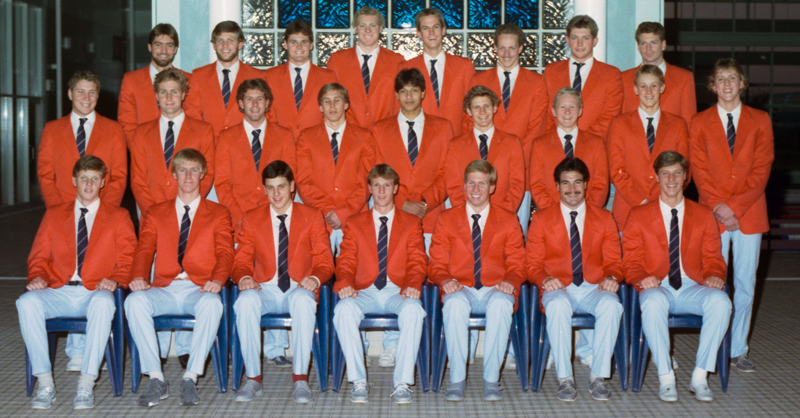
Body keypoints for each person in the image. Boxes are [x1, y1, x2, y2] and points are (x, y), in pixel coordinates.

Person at [19, 155, 136, 410]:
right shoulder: (54, 215)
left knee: (104, 304)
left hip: (95, 292)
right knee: (27, 302)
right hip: (59, 290)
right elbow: (38, 257)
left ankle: (86, 383)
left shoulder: (118, 216)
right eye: (84, 178)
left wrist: (116, 279)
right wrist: (38, 277)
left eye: (95, 179)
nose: (89, 184)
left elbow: (129, 260)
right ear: (74, 180)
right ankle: (45, 382)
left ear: (103, 182)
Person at [125, 149, 234, 408]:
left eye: (194, 170)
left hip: (198, 288)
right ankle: (156, 377)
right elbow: (143, 249)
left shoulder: (218, 212)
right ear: (173, 174)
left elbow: (226, 253)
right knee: (134, 302)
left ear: (203, 174)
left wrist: (218, 280)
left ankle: (190, 377)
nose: (188, 175)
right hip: (165, 287)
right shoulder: (155, 212)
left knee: (212, 304)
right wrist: (139, 276)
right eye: (182, 170)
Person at [623, 150, 731, 402]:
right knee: (651, 301)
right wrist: (641, 276)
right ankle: (666, 378)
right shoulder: (638, 215)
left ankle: (700, 376)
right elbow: (630, 261)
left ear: (686, 177)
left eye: (677, 173)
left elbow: (715, 258)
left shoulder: (703, 214)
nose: (671, 179)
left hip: (692, 285)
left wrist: (715, 275)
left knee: (721, 301)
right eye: (665, 174)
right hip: (657, 286)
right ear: (657, 178)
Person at [689, 58, 774, 373]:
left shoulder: (761, 120)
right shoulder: (699, 122)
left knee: (745, 283)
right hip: (713, 215)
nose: (726, 84)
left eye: (732, 78)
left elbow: (762, 169)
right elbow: (698, 169)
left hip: (749, 214)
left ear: (742, 83)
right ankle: (714, 345)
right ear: (712, 86)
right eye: (720, 79)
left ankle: (738, 349)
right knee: (713, 281)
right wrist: (718, 207)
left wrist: (734, 209)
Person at [231, 160, 334, 404]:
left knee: (303, 301)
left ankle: (300, 379)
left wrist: (315, 278)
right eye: (270, 188)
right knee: (244, 301)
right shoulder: (252, 218)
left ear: (292, 187)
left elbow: (325, 261)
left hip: (299, 286)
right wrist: (245, 277)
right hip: (264, 288)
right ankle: (253, 379)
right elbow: (240, 261)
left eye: (281, 186)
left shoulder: (311, 216)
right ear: (264, 189)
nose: (276, 194)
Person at [429, 160, 526, 402]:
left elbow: (518, 263)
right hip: (461, 287)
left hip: (495, 286)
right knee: (454, 304)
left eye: (482, 183)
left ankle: (491, 380)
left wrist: (511, 281)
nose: (475, 189)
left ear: (492, 187)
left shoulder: (508, 218)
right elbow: (436, 264)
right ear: (463, 186)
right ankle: (457, 380)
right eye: (471, 182)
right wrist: (444, 280)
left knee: (502, 304)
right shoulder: (446, 218)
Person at [527, 157, 623, 402]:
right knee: (558, 304)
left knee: (612, 304)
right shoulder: (541, 219)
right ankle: (565, 378)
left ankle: (598, 377)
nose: (572, 189)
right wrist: (545, 278)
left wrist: (612, 276)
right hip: (559, 287)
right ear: (557, 186)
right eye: (565, 183)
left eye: (577, 182)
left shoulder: (605, 217)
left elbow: (614, 261)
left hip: (593, 286)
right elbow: (532, 265)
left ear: (586, 184)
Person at [333, 164, 427, 404]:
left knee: (414, 310)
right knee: (343, 309)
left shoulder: (411, 222)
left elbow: (417, 260)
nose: (382, 191)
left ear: (396, 188)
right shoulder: (354, 222)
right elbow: (345, 261)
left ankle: (402, 382)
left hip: (398, 290)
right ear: (370, 188)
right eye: (377, 185)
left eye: (387, 185)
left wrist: (413, 283)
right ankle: (358, 381)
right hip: (365, 290)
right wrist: (345, 282)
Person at [466, 22, 550, 235]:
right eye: (502, 48)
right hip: (482, 168)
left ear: (521, 48)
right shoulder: (479, 79)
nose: (506, 53)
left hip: (518, 172)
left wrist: (512, 160)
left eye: (512, 47)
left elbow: (537, 127)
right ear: (494, 48)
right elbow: (468, 121)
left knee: (512, 233)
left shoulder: (537, 82)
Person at [606, 64, 690, 231]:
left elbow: (683, 169)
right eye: (643, 86)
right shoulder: (619, 124)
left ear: (662, 88)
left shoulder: (677, 124)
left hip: (667, 210)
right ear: (635, 89)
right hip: (629, 209)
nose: (649, 91)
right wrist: (641, 202)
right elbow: (616, 169)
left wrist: (663, 201)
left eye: (654, 86)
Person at [296, 83, 375, 254]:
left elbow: (367, 181)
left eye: (337, 100)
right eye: (327, 101)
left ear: (346, 105)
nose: (332, 106)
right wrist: (327, 212)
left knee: (353, 274)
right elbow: (303, 182)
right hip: (319, 219)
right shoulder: (306, 137)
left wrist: (344, 212)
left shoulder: (364, 137)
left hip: (354, 216)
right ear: (320, 107)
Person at [215, 78, 296, 234]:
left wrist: (279, 214)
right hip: (240, 223)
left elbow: (290, 180)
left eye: (259, 99)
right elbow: (222, 184)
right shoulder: (226, 137)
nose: (255, 105)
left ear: (267, 103)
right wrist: (240, 218)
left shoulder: (284, 136)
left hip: (275, 218)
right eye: (249, 99)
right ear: (241, 103)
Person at [131, 68, 216, 216]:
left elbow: (207, 175)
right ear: (157, 96)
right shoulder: (142, 132)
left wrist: (187, 208)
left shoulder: (203, 130)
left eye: (174, 92)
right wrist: (154, 213)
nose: (169, 97)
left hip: (189, 214)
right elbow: (138, 180)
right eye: (163, 92)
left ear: (183, 95)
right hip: (151, 215)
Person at [39, 70, 127, 208]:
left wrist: (106, 211)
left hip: (102, 210)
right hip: (62, 209)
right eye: (80, 91)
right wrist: (57, 210)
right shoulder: (52, 130)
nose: (87, 98)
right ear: (70, 94)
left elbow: (119, 178)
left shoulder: (114, 130)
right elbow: (45, 176)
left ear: (97, 96)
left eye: (92, 92)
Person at [443, 85, 524, 220]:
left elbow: (517, 186)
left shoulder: (512, 142)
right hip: (467, 218)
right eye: (476, 107)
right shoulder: (456, 145)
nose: (482, 111)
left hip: (502, 217)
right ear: (469, 111)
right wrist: (468, 215)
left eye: (486, 106)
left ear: (494, 108)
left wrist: (501, 216)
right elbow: (453, 187)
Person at [396, 8, 475, 136]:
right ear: (419, 33)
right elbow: (399, 110)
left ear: (443, 30)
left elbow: (473, 108)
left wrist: (466, 142)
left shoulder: (464, 66)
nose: (431, 32)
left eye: (436, 27)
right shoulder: (406, 67)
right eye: (426, 28)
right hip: (420, 142)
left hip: (455, 140)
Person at [542, 15, 623, 138]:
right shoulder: (551, 71)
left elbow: (610, 116)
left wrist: (583, 143)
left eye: (585, 38)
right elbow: (545, 112)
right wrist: (557, 140)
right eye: (575, 38)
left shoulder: (611, 74)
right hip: (556, 145)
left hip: (594, 147)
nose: (580, 43)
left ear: (594, 41)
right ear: (567, 40)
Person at [326, 6, 406, 129]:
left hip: (386, 131)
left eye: (373, 25)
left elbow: (400, 101)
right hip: (348, 133)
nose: (368, 30)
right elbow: (330, 99)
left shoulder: (397, 61)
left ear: (380, 28)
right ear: (356, 29)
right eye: (363, 26)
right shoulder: (337, 60)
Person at [530, 88, 608, 210]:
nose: (567, 112)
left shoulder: (596, 143)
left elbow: (600, 184)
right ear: (554, 111)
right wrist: (554, 214)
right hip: (551, 216)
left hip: (588, 214)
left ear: (580, 111)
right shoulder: (540, 144)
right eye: (562, 107)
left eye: (572, 107)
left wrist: (588, 213)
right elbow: (537, 186)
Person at [184, 20, 264, 138]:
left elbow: (264, 117)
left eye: (230, 41)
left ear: (240, 44)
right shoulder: (198, 76)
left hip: (244, 148)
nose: (225, 45)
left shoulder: (257, 76)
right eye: (220, 41)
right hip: (209, 148)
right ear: (214, 45)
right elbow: (192, 118)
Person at [119, 24, 191, 145]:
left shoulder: (189, 79)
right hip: (144, 155)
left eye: (169, 45)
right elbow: (127, 124)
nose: (163, 50)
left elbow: (193, 123)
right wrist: (143, 154)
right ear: (149, 47)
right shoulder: (131, 80)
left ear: (175, 49)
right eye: (158, 45)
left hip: (181, 156)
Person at [264, 20, 338, 138]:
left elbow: (331, 114)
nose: (299, 47)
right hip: (280, 144)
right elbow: (267, 113)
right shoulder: (270, 76)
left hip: (316, 143)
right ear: (285, 44)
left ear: (311, 45)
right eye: (294, 42)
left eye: (304, 42)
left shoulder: (327, 77)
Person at [621, 22, 696, 124]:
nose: (648, 48)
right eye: (644, 43)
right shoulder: (624, 78)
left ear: (663, 45)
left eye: (653, 43)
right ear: (638, 47)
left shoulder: (684, 78)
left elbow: (688, 122)